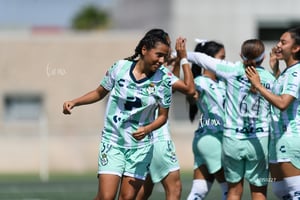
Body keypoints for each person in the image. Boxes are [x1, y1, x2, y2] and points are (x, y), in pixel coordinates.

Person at [62, 28, 173, 200]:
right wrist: (75, 102)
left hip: (140, 148)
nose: (162, 60)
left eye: (165, 56)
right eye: (158, 54)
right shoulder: (120, 67)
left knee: (127, 198)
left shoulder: (164, 80)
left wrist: (147, 129)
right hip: (113, 141)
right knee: (106, 197)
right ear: (144, 50)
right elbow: (99, 93)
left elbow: (163, 116)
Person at [186, 39, 275, 200]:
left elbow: (200, 58)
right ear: (264, 57)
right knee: (259, 191)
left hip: (231, 140)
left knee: (232, 191)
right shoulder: (270, 79)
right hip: (257, 141)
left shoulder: (231, 71)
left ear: (241, 55)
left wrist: (177, 55)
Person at [136, 34, 195, 200]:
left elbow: (169, 89)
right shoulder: (159, 73)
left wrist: (174, 64)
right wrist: (183, 59)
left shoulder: (139, 71)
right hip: (157, 137)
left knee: (141, 192)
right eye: (164, 49)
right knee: (174, 189)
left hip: (141, 138)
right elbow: (189, 89)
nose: (168, 53)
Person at [246, 27, 300, 200]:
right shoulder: (287, 72)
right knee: (283, 194)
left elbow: (283, 103)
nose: (277, 46)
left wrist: (259, 85)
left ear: (296, 48)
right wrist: (275, 70)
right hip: (277, 143)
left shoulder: (297, 72)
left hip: (290, 141)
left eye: (283, 42)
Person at [186, 40, 228, 200]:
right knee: (231, 190)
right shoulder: (200, 81)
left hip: (204, 140)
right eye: (221, 57)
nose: (223, 62)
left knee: (199, 191)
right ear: (207, 59)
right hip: (213, 139)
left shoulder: (222, 81)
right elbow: (192, 95)